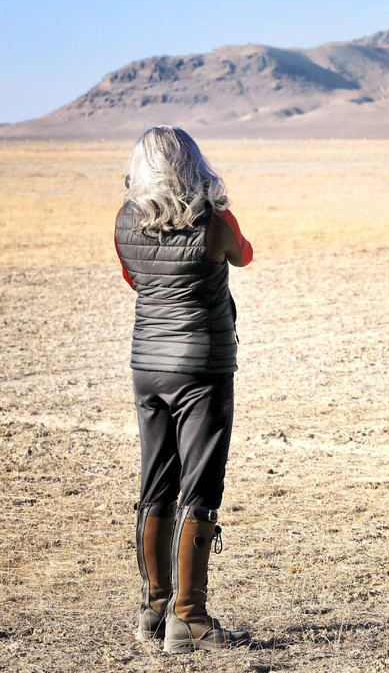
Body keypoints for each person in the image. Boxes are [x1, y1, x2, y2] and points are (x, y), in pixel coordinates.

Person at [114, 126, 254, 654]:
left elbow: (135, 278)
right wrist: (216, 202)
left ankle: (153, 610)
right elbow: (242, 253)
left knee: (156, 483)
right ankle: (189, 617)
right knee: (199, 486)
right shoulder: (212, 221)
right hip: (203, 366)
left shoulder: (126, 221)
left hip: (147, 366)